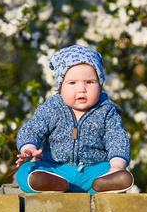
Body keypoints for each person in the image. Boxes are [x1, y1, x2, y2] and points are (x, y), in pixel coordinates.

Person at [15, 45, 133, 193]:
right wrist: (29, 148)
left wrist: (117, 166)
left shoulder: (106, 110)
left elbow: (117, 139)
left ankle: (108, 183)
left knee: (110, 170)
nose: (82, 89)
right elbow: (32, 128)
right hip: (55, 169)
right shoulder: (53, 107)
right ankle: (48, 184)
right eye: (72, 83)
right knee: (26, 170)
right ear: (60, 88)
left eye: (89, 82)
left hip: (92, 172)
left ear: (100, 84)